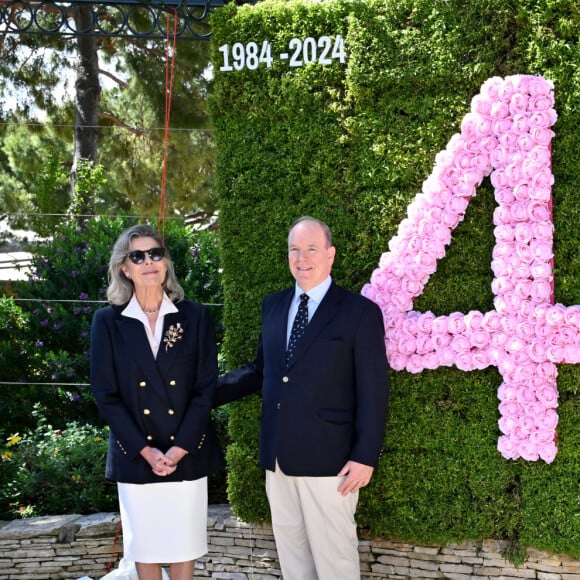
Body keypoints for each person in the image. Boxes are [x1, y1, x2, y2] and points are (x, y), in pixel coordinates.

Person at [215, 216, 390, 580]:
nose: (302, 257)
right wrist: (201, 392)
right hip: (278, 461)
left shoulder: (359, 313)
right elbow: (261, 371)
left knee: (336, 565)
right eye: (294, 249)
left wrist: (364, 456)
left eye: (311, 249)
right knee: (294, 565)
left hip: (332, 466)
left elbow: (374, 391)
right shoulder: (274, 307)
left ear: (330, 255)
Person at [90, 224, 223, 580]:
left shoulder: (194, 317)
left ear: (165, 263)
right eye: (138, 256)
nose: (149, 261)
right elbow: (106, 395)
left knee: (184, 545)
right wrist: (145, 451)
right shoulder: (107, 322)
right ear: (124, 267)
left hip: (186, 452)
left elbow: (204, 389)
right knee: (144, 548)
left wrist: (179, 448)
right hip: (136, 454)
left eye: (155, 253)